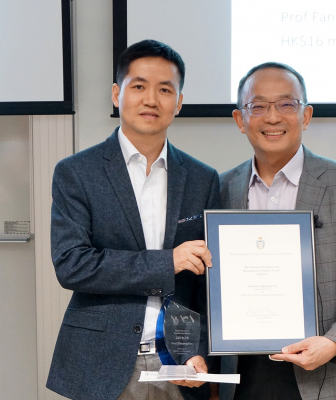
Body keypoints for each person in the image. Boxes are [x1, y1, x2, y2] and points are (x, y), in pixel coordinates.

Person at [46, 39, 219, 400]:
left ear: (179, 102)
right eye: (138, 86)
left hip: (180, 365)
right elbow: (72, 265)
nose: (151, 99)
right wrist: (166, 261)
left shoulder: (203, 179)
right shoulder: (77, 173)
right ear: (116, 94)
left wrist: (200, 350)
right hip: (102, 365)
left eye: (165, 89)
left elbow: (206, 284)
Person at [219, 62, 336, 400]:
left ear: (306, 115)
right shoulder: (222, 188)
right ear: (240, 120)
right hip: (244, 378)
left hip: (327, 376)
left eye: (286, 104)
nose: (273, 117)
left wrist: (334, 341)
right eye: (258, 106)